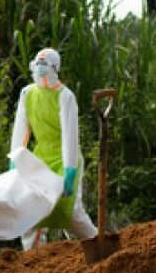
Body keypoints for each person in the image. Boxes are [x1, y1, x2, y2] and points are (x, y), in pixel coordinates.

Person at [9, 47, 97, 250]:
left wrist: (70, 172)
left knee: (71, 211)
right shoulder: (27, 94)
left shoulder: (65, 97)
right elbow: (21, 129)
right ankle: (34, 259)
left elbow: (70, 137)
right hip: (41, 160)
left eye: (45, 65)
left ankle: (97, 244)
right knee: (31, 210)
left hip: (67, 159)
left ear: (55, 68)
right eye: (38, 64)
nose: (40, 69)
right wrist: (15, 160)